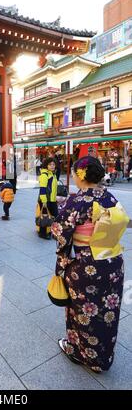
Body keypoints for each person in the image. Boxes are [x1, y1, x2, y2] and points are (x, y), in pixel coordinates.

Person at [52, 156, 126, 373]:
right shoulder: (111, 198)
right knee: (108, 312)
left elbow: (60, 232)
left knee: (82, 312)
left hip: (86, 266)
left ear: (81, 175)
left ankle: (78, 352)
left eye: (74, 173)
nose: (74, 177)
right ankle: (103, 357)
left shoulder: (77, 201)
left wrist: (62, 263)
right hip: (113, 264)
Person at [36, 157, 58, 239]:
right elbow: (42, 189)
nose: (52, 166)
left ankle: (53, 231)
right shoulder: (44, 175)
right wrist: (44, 201)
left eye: (53, 164)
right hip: (45, 200)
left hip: (52, 199)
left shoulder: (53, 174)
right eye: (50, 164)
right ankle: (42, 233)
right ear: (46, 165)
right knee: (44, 217)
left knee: (55, 215)